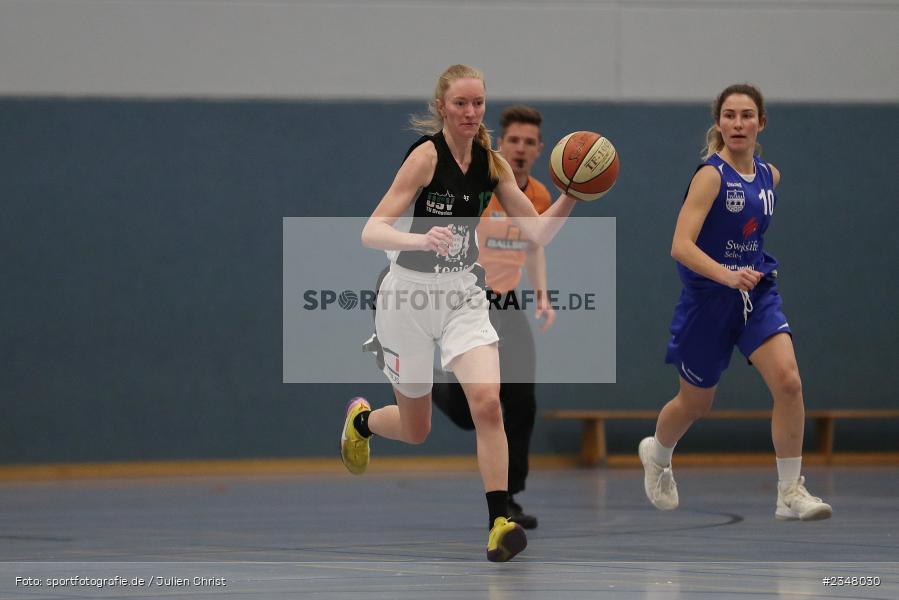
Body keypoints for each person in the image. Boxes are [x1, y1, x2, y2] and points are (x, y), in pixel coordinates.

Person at [340, 65, 579, 562]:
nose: (470, 113)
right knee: (416, 429)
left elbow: (536, 233)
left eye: (478, 104)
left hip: (463, 295)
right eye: (460, 104)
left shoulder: (492, 164)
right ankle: (362, 423)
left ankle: (498, 522)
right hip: (407, 295)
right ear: (442, 108)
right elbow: (371, 230)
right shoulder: (426, 158)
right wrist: (419, 237)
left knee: (488, 403)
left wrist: (572, 195)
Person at [639, 84, 832, 521]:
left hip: (756, 295)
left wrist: (747, 274)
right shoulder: (710, 175)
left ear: (761, 122)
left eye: (747, 115)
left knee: (788, 382)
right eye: (729, 115)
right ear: (719, 122)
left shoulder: (770, 176)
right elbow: (680, 245)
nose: (738, 123)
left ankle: (789, 492)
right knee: (695, 405)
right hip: (709, 301)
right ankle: (657, 455)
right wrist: (727, 274)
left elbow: (749, 234)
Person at [430, 105, 555, 530]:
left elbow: (535, 245)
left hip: (506, 303)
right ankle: (427, 385)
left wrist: (541, 294)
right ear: (502, 144)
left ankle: (510, 498)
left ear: (539, 149)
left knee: (522, 402)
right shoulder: (483, 187)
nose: (520, 149)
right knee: (471, 413)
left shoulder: (537, 195)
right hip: (468, 300)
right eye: (514, 140)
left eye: (529, 142)